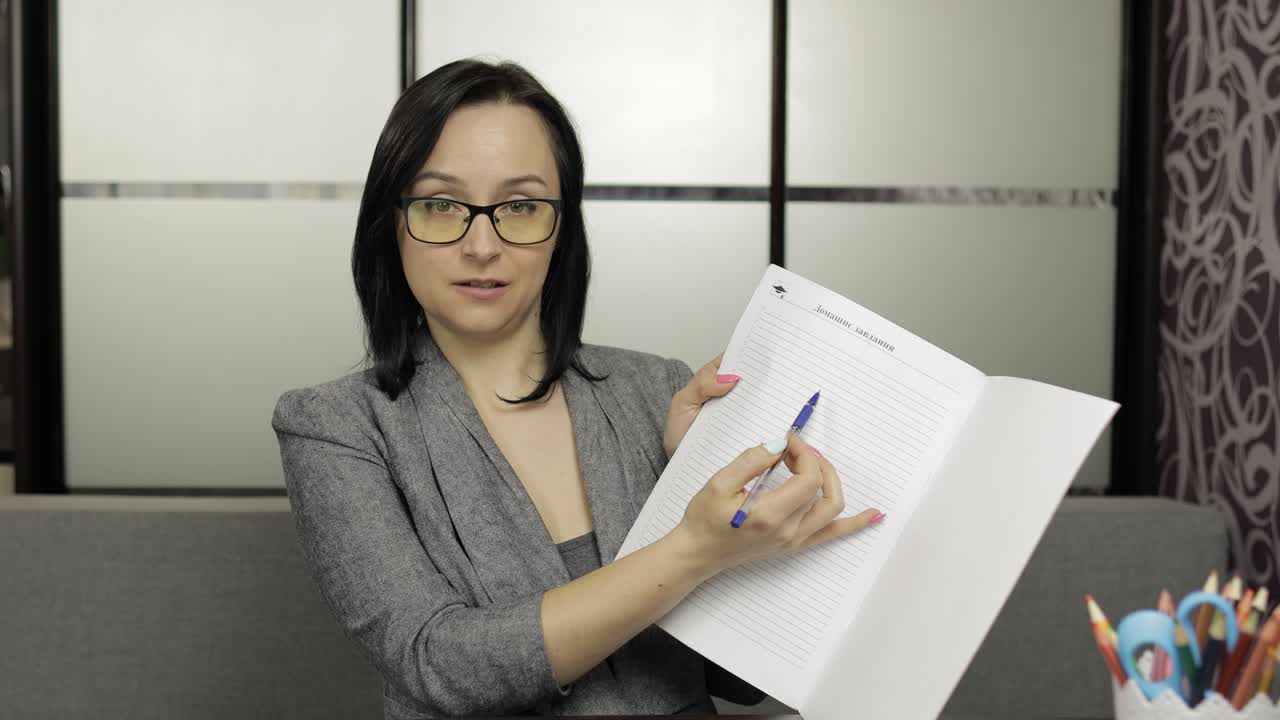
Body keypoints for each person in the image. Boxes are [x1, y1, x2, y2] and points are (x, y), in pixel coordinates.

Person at [271, 59, 883, 719]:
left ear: (560, 229)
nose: (482, 244)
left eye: (521, 206)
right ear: (392, 224)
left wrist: (728, 505)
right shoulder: (334, 425)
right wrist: (691, 545)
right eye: (441, 204)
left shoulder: (659, 390)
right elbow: (439, 666)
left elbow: (739, 679)